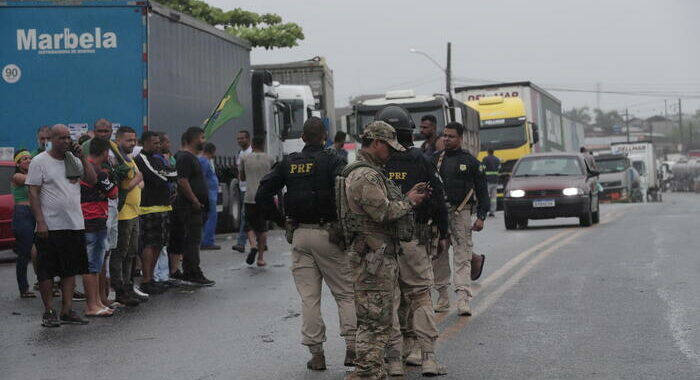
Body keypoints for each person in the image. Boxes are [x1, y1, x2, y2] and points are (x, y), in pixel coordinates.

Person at [256, 117, 356, 370]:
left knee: (309, 297)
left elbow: (263, 194)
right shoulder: (334, 160)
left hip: (300, 234)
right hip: (330, 235)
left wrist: (280, 221)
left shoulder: (289, 163)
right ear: (325, 137)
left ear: (302, 138)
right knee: (344, 293)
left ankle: (317, 354)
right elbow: (349, 190)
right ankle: (353, 349)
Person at [339, 121, 428, 380]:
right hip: (373, 256)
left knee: (373, 317)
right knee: (376, 320)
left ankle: (368, 369)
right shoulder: (366, 175)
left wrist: (405, 197)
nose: (390, 152)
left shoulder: (359, 171)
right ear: (376, 143)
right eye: (388, 146)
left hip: (370, 254)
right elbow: (382, 212)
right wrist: (409, 202)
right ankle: (369, 371)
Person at [378, 106, 449, 376]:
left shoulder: (374, 163)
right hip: (414, 240)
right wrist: (443, 234)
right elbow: (439, 200)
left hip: (382, 243)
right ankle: (428, 357)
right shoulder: (421, 159)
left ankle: (394, 361)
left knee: (390, 299)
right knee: (420, 296)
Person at [26, 124, 97, 327]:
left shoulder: (73, 160)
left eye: (68, 138)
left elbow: (92, 180)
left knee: (70, 270)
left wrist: (82, 156)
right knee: (47, 271)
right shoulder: (40, 162)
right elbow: (33, 193)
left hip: (74, 224)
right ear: (52, 139)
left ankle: (67, 311)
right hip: (50, 226)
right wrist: (40, 221)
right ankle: (49, 311)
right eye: (62, 138)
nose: (66, 141)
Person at [431, 122, 490, 316]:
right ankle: (442, 297)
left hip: (461, 214)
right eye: (445, 135)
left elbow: (482, 191)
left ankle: (463, 298)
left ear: (460, 138)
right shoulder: (434, 160)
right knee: (438, 255)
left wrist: (481, 216)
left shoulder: (471, 162)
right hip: (440, 214)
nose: (446, 139)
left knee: (462, 255)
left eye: (451, 136)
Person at [80, 137, 118, 317]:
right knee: (92, 265)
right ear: (105, 152)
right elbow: (113, 192)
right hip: (94, 219)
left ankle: (96, 302)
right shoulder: (98, 171)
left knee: (95, 264)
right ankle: (92, 305)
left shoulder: (84, 166)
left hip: (88, 219)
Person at [135, 131, 177, 294]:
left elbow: (173, 173)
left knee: (160, 244)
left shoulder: (157, 159)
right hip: (148, 209)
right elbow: (159, 177)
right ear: (144, 143)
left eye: (159, 143)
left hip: (163, 207)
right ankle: (146, 279)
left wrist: (166, 173)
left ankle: (151, 278)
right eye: (154, 143)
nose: (158, 146)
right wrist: (166, 173)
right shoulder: (142, 159)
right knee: (149, 244)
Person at [172, 127, 214, 286]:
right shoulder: (185, 158)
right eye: (201, 138)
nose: (204, 141)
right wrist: (195, 200)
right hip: (189, 208)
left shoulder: (192, 158)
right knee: (192, 240)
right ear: (192, 139)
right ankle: (192, 272)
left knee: (193, 239)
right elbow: (182, 181)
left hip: (194, 208)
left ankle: (192, 269)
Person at [111, 126, 145, 306]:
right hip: (123, 213)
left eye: (134, 140)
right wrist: (137, 180)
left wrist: (139, 180)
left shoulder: (129, 159)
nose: (132, 143)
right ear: (118, 141)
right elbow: (124, 186)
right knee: (121, 253)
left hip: (134, 212)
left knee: (131, 252)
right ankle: (120, 289)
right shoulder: (117, 160)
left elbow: (140, 181)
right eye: (128, 140)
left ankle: (129, 286)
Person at [239, 135, 274, 266]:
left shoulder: (244, 158)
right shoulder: (270, 159)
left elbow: (242, 178)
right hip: (264, 198)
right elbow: (272, 177)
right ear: (264, 145)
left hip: (249, 197)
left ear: (252, 145)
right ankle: (260, 258)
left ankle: (253, 244)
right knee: (262, 228)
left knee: (248, 225)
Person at [10, 150, 38, 298]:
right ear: (18, 163)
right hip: (22, 215)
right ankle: (23, 288)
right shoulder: (17, 176)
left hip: (35, 213)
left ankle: (44, 282)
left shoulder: (34, 174)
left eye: (30, 158)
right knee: (24, 253)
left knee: (41, 250)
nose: (28, 160)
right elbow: (31, 180)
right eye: (24, 159)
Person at [232, 130, 253, 253]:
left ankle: (241, 242)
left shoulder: (251, 153)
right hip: (242, 187)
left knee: (245, 215)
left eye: (242, 138)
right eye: (238, 139)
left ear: (248, 139)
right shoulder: (239, 153)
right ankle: (259, 241)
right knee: (248, 215)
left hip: (250, 188)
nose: (240, 141)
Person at [200, 143, 220, 250]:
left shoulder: (206, 161)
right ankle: (207, 241)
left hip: (211, 193)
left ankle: (206, 239)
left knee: (209, 217)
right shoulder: (204, 161)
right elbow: (202, 177)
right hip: (209, 194)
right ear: (212, 151)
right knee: (211, 217)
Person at [482, 149, 501, 217]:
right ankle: (492, 211)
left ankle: (485, 210)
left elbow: (482, 168)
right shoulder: (497, 159)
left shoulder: (485, 159)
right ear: (493, 152)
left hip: (487, 180)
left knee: (486, 196)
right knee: (493, 198)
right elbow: (499, 168)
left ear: (488, 152)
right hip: (495, 181)